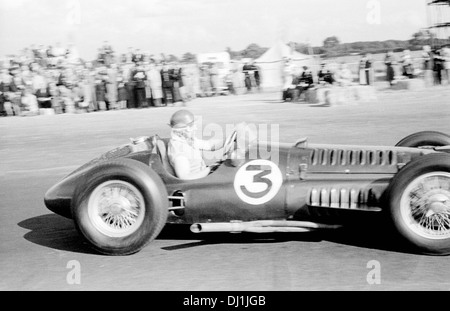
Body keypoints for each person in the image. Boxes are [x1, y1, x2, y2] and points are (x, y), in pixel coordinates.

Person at [167, 110, 228, 180]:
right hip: (198, 184)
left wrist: (229, 139)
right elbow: (185, 177)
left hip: (203, 176)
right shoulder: (179, 152)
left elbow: (210, 145)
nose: (195, 128)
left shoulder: (188, 141)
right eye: (192, 126)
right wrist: (210, 168)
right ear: (183, 130)